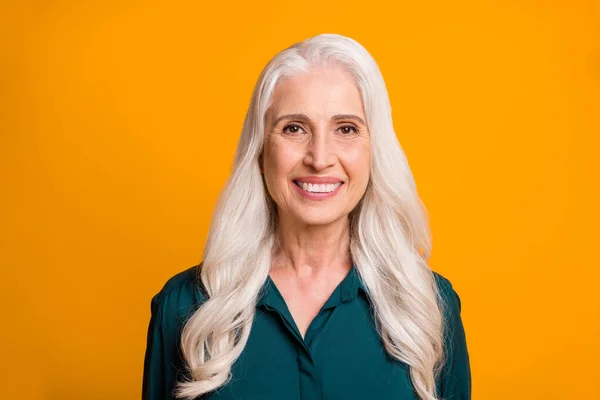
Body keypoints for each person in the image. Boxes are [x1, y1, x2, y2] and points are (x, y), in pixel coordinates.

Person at [142, 33, 471, 400]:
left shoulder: (427, 305)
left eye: (346, 129)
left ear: (374, 149)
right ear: (260, 148)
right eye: (294, 128)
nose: (319, 157)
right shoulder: (186, 307)